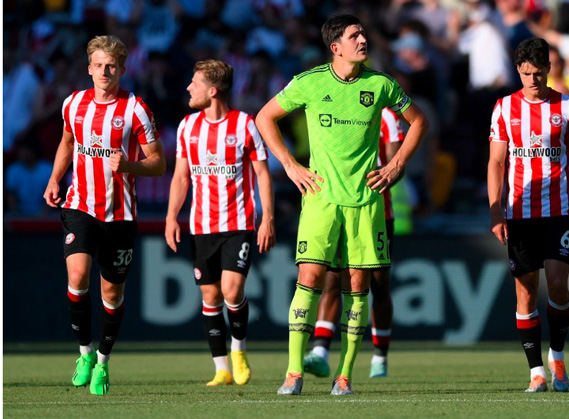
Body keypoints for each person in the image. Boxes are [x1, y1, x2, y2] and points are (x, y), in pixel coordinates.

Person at [255, 14, 429, 396]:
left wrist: (396, 165)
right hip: (320, 200)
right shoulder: (310, 82)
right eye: (355, 36)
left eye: (364, 33)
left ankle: (346, 374)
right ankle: (293, 373)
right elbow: (265, 116)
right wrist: (290, 165)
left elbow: (419, 121)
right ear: (336, 47)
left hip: (366, 202)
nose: (363, 39)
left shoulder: (380, 85)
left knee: (357, 286)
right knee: (310, 280)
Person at [43, 35, 166, 395]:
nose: (104, 71)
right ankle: (84, 353)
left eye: (111, 66)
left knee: (111, 292)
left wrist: (128, 164)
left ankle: (103, 363)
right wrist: (54, 179)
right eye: (98, 65)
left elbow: (158, 164)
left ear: (122, 70)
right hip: (79, 205)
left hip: (119, 214)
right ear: (89, 68)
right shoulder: (73, 104)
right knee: (77, 275)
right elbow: (67, 143)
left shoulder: (136, 109)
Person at [487, 37, 569, 393]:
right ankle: (536, 371)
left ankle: (558, 356)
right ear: (518, 71)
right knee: (525, 293)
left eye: (538, 73)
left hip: (558, 211)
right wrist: (495, 211)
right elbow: (496, 162)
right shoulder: (505, 108)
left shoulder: (567, 107)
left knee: (557, 283)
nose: (532, 80)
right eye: (525, 73)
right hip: (519, 212)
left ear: (549, 69)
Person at [165, 59, 275, 387]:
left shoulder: (245, 125)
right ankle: (221, 368)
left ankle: (239, 350)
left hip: (238, 223)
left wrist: (266, 218)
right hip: (201, 226)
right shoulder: (187, 127)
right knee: (210, 296)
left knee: (232, 289)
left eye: (194, 83)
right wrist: (172, 216)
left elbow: (262, 175)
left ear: (212, 91)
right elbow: (181, 176)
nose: (188, 88)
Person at [303, 107, 405, 379]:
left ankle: (380, 356)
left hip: (376, 214)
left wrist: (384, 176)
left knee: (379, 286)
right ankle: (320, 352)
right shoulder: (334, 110)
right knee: (333, 281)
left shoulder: (386, 116)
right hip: (338, 210)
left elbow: (396, 164)